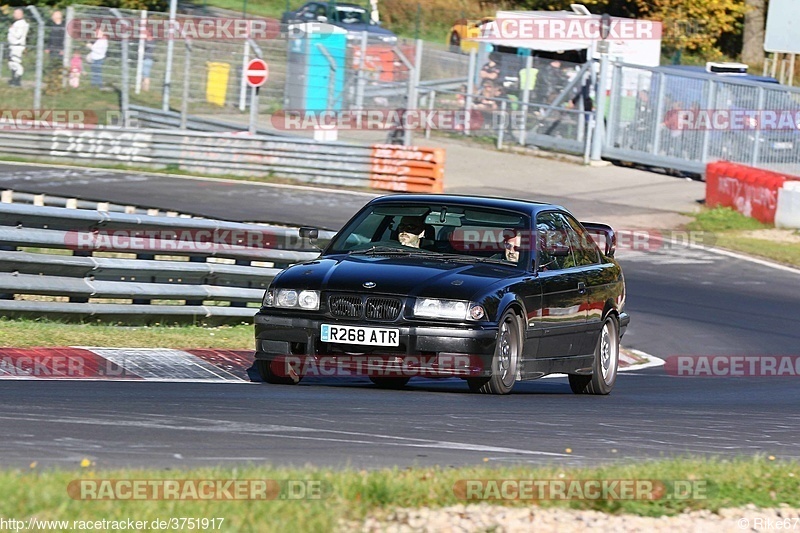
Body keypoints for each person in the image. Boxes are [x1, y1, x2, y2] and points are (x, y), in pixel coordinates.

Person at [7, 8, 30, 86]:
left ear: (21, 14)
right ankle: (14, 78)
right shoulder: (17, 23)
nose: (14, 15)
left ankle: (17, 80)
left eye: (15, 13)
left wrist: (11, 29)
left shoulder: (21, 24)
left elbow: (18, 35)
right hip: (13, 46)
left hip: (17, 46)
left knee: (16, 62)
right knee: (11, 63)